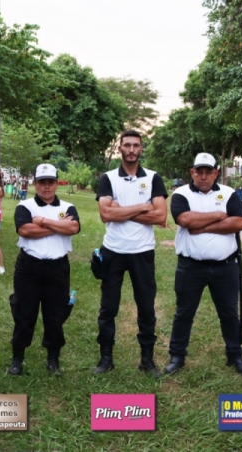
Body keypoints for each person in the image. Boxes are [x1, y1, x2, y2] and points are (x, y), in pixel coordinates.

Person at [164, 153, 242, 377]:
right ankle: (177, 356)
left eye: (208, 172)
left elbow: (239, 222)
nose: (204, 176)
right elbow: (184, 220)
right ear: (192, 172)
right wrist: (219, 214)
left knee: (229, 313)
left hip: (226, 266)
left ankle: (235, 356)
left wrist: (202, 227)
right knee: (184, 312)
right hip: (190, 267)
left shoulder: (228, 193)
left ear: (216, 173)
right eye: (199, 172)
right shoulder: (181, 194)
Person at [94, 130, 168, 378]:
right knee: (108, 308)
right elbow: (105, 214)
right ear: (120, 149)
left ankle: (147, 360)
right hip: (112, 251)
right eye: (127, 145)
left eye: (136, 145)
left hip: (142, 252)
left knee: (146, 308)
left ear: (141, 149)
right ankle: (106, 359)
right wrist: (142, 207)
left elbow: (160, 216)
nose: (132, 149)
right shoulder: (108, 178)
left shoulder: (154, 178)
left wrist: (121, 210)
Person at [8, 163, 80, 376]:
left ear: (57, 184)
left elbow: (73, 227)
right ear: (35, 184)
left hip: (58, 267)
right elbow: (25, 230)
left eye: (50, 182)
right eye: (42, 182)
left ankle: (53, 359)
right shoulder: (25, 206)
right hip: (29, 267)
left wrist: (43, 222)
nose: (46, 186)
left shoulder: (68, 207)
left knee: (55, 315)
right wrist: (58, 226)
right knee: (24, 313)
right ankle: (17, 358)